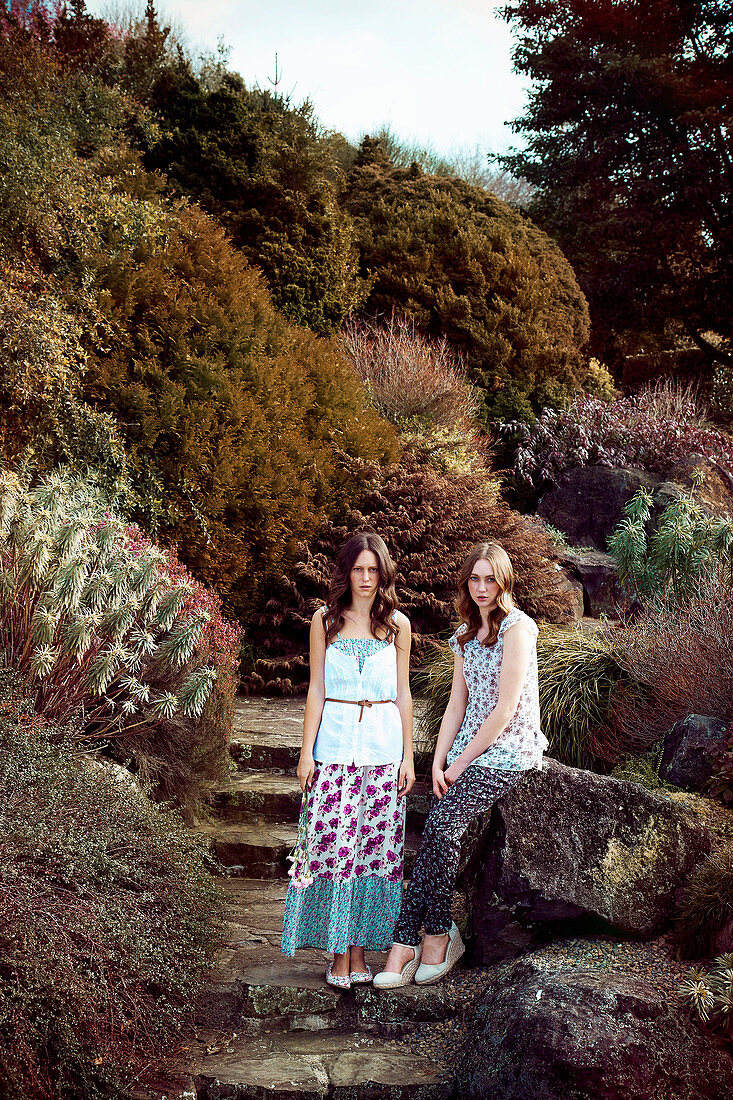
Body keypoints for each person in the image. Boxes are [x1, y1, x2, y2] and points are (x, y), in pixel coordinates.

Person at [374, 541, 547, 988]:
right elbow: (457, 704)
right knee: (439, 829)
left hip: (508, 751)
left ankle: (418, 940)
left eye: (491, 578)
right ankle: (430, 934)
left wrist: (459, 765)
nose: (483, 587)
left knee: (442, 827)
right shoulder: (465, 634)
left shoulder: (518, 629)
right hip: (470, 750)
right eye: (475, 578)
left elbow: (505, 711)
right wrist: (439, 759)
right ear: (466, 583)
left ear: (504, 581)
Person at [281, 531, 414, 988]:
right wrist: (304, 753)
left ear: (383, 574)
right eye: (358, 568)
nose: (365, 577)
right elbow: (316, 690)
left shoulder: (398, 625)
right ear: (346, 572)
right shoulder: (325, 621)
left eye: (373, 569)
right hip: (334, 750)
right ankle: (338, 954)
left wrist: (407, 758)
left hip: (382, 752)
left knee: (372, 853)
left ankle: (360, 952)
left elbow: (403, 694)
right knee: (334, 850)